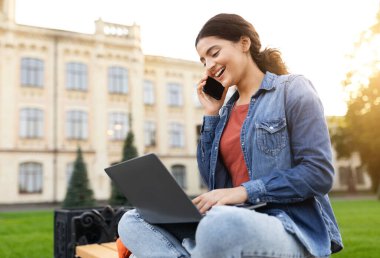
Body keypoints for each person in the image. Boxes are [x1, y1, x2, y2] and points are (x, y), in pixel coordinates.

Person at [118, 13, 343, 258]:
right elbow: (213, 182)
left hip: (287, 226)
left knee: (219, 225)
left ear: (244, 43)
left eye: (214, 53)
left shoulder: (292, 88)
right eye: (203, 61)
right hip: (231, 219)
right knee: (133, 220)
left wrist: (243, 192)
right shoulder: (223, 114)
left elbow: (318, 173)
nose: (209, 65)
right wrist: (211, 114)